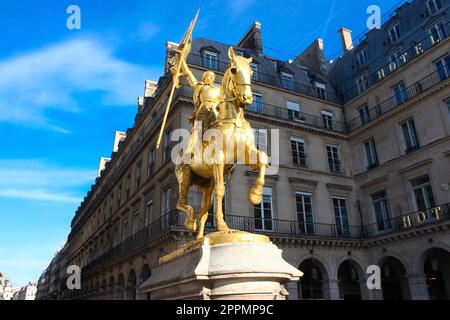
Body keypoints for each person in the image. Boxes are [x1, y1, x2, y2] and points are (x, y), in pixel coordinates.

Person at [179, 59, 221, 158]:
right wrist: (183, 62)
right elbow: (189, 75)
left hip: (217, 109)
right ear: (204, 78)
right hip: (204, 108)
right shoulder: (200, 86)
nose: (211, 78)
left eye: (212, 76)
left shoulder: (218, 89)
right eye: (208, 76)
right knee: (197, 128)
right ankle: (190, 148)